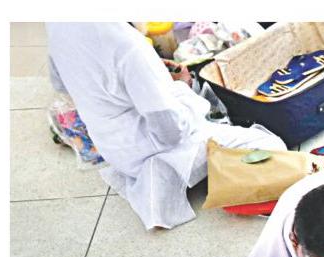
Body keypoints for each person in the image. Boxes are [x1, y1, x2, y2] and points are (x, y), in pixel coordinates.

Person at [45, 22, 284, 231]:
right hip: (149, 154)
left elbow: (60, 84)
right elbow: (171, 133)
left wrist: (150, 77)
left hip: (110, 145)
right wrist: (181, 89)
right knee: (271, 145)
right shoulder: (128, 46)